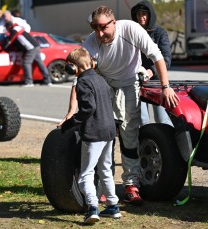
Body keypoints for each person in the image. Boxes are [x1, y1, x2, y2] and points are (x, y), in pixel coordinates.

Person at [60, 5, 179, 205]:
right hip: (103, 82)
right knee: (103, 133)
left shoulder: (131, 29)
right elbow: (77, 79)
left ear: (114, 22)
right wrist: (71, 111)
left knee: (128, 133)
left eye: (103, 28)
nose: (99, 33)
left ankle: (132, 184)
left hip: (129, 82)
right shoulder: (92, 41)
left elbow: (157, 56)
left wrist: (166, 86)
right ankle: (105, 187)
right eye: (95, 27)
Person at [61, 48, 121, 224]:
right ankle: (113, 206)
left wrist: (71, 123)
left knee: (85, 174)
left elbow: (88, 108)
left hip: (94, 133)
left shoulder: (82, 82)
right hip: (109, 131)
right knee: (105, 170)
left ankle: (92, 207)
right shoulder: (101, 79)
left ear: (73, 67)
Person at [131, 0, 173, 126]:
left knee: (162, 120)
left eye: (144, 13)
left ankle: (167, 144)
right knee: (142, 121)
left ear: (150, 15)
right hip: (138, 82)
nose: (141, 17)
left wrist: (151, 71)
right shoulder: (133, 33)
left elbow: (166, 60)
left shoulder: (160, 33)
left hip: (157, 82)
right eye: (138, 14)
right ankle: (146, 145)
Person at [4, 21, 52, 86]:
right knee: (40, 63)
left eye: (7, 29)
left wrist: (4, 46)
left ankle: (29, 82)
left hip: (31, 48)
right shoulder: (18, 27)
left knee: (26, 63)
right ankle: (48, 81)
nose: (7, 30)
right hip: (36, 46)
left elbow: (10, 40)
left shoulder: (14, 30)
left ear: (9, 27)